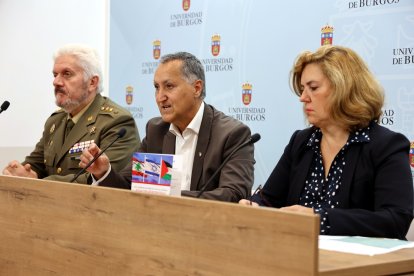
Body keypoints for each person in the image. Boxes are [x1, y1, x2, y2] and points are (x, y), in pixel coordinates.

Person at [240, 45, 413, 240]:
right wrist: (254, 206)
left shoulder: (386, 145)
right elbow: (269, 199)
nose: (303, 98)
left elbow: (395, 220)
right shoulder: (301, 142)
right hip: (299, 256)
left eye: (313, 88)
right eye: (302, 89)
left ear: (343, 89)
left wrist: (319, 219)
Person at [79, 51, 255, 202]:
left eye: (169, 86)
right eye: (157, 87)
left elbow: (233, 195)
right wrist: (104, 172)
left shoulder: (232, 134)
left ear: (197, 88)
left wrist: (169, 197)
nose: (160, 97)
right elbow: (129, 185)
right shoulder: (156, 130)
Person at [2, 44, 140, 184]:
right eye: (55, 75)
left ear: (92, 82)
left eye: (67, 74)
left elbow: (103, 179)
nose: (56, 82)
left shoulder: (116, 122)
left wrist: (38, 183)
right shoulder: (55, 121)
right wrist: (18, 173)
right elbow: (35, 165)